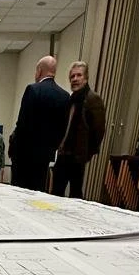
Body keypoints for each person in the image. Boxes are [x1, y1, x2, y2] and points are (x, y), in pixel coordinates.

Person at [11, 55, 69, 190]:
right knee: (38, 191)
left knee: (19, 192)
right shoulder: (64, 96)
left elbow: (23, 123)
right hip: (44, 156)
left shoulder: (33, 90)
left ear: (39, 70)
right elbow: (62, 128)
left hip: (25, 156)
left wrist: (15, 149)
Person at [51, 61, 106, 200]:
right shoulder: (71, 100)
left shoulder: (93, 99)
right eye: (72, 76)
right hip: (64, 154)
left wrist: (86, 154)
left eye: (78, 75)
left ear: (86, 78)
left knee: (75, 194)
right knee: (56, 193)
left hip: (78, 156)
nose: (75, 79)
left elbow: (98, 131)